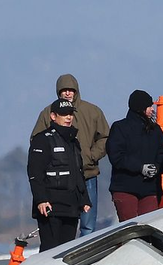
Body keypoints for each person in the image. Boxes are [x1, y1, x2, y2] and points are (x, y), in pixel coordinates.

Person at [32, 74, 109, 238]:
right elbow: (37, 140)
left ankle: (86, 259)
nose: (67, 93)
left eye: (70, 90)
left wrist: (90, 156)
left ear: (76, 91)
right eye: (64, 90)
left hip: (87, 174)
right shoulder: (47, 113)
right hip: (59, 181)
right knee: (63, 226)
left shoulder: (92, 111)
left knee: (88, 226)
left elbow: (105, 137)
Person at [27, 100, 90, 251]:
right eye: (63, 114)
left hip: (71, 207)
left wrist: (84, 199)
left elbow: (78, 172)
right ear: (53, 116)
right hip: (50, 206)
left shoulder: (74, 141)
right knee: (50, 250)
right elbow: (35, 172)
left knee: (66, 251)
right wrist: (41, 199)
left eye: (70, 114)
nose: (68, 117)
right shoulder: (42, 139)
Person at [106, 90, 163, 222]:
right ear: (141, 108)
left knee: (149, 226)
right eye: (149, 106)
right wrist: (140, 168)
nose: (152, 109)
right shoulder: (120, 128)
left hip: (150, 188)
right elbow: (116, 156)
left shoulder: (155, 130)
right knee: (130, 228)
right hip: (125, 187)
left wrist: (157, 167)